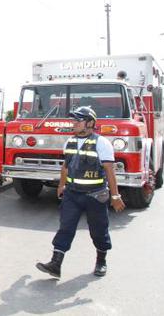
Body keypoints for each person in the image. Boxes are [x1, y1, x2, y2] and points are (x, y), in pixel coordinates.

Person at [36, 106, 125, 278]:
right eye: (73, 120)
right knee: (65, 228)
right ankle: (56, 264)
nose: (74, 123)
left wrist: (115, 196)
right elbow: (65, 167)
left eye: (78, 120)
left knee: (99, 231)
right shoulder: (69, 142)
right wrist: (62, 185)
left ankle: (101, 261)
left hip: (95, 195)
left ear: (90, 123)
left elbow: (110, 171)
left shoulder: (102, 143)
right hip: (72, 194)